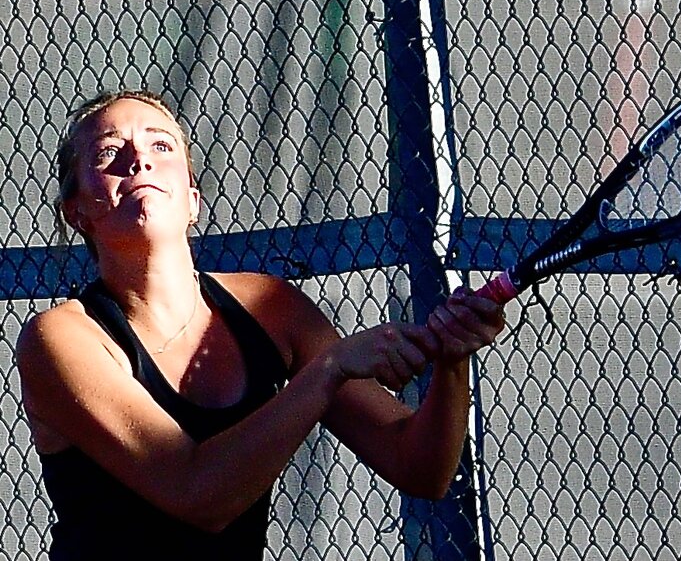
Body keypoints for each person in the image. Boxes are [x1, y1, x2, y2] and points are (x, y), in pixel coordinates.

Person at [16, 90, 505, 560]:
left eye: (160, 145)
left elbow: (419, 467)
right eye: (108, 153)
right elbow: (197, 494)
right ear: (76, 212)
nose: (139, 160)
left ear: (192, 200)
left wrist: (452, 361)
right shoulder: (60, 338)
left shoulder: (271, 306)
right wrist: (328, 369)